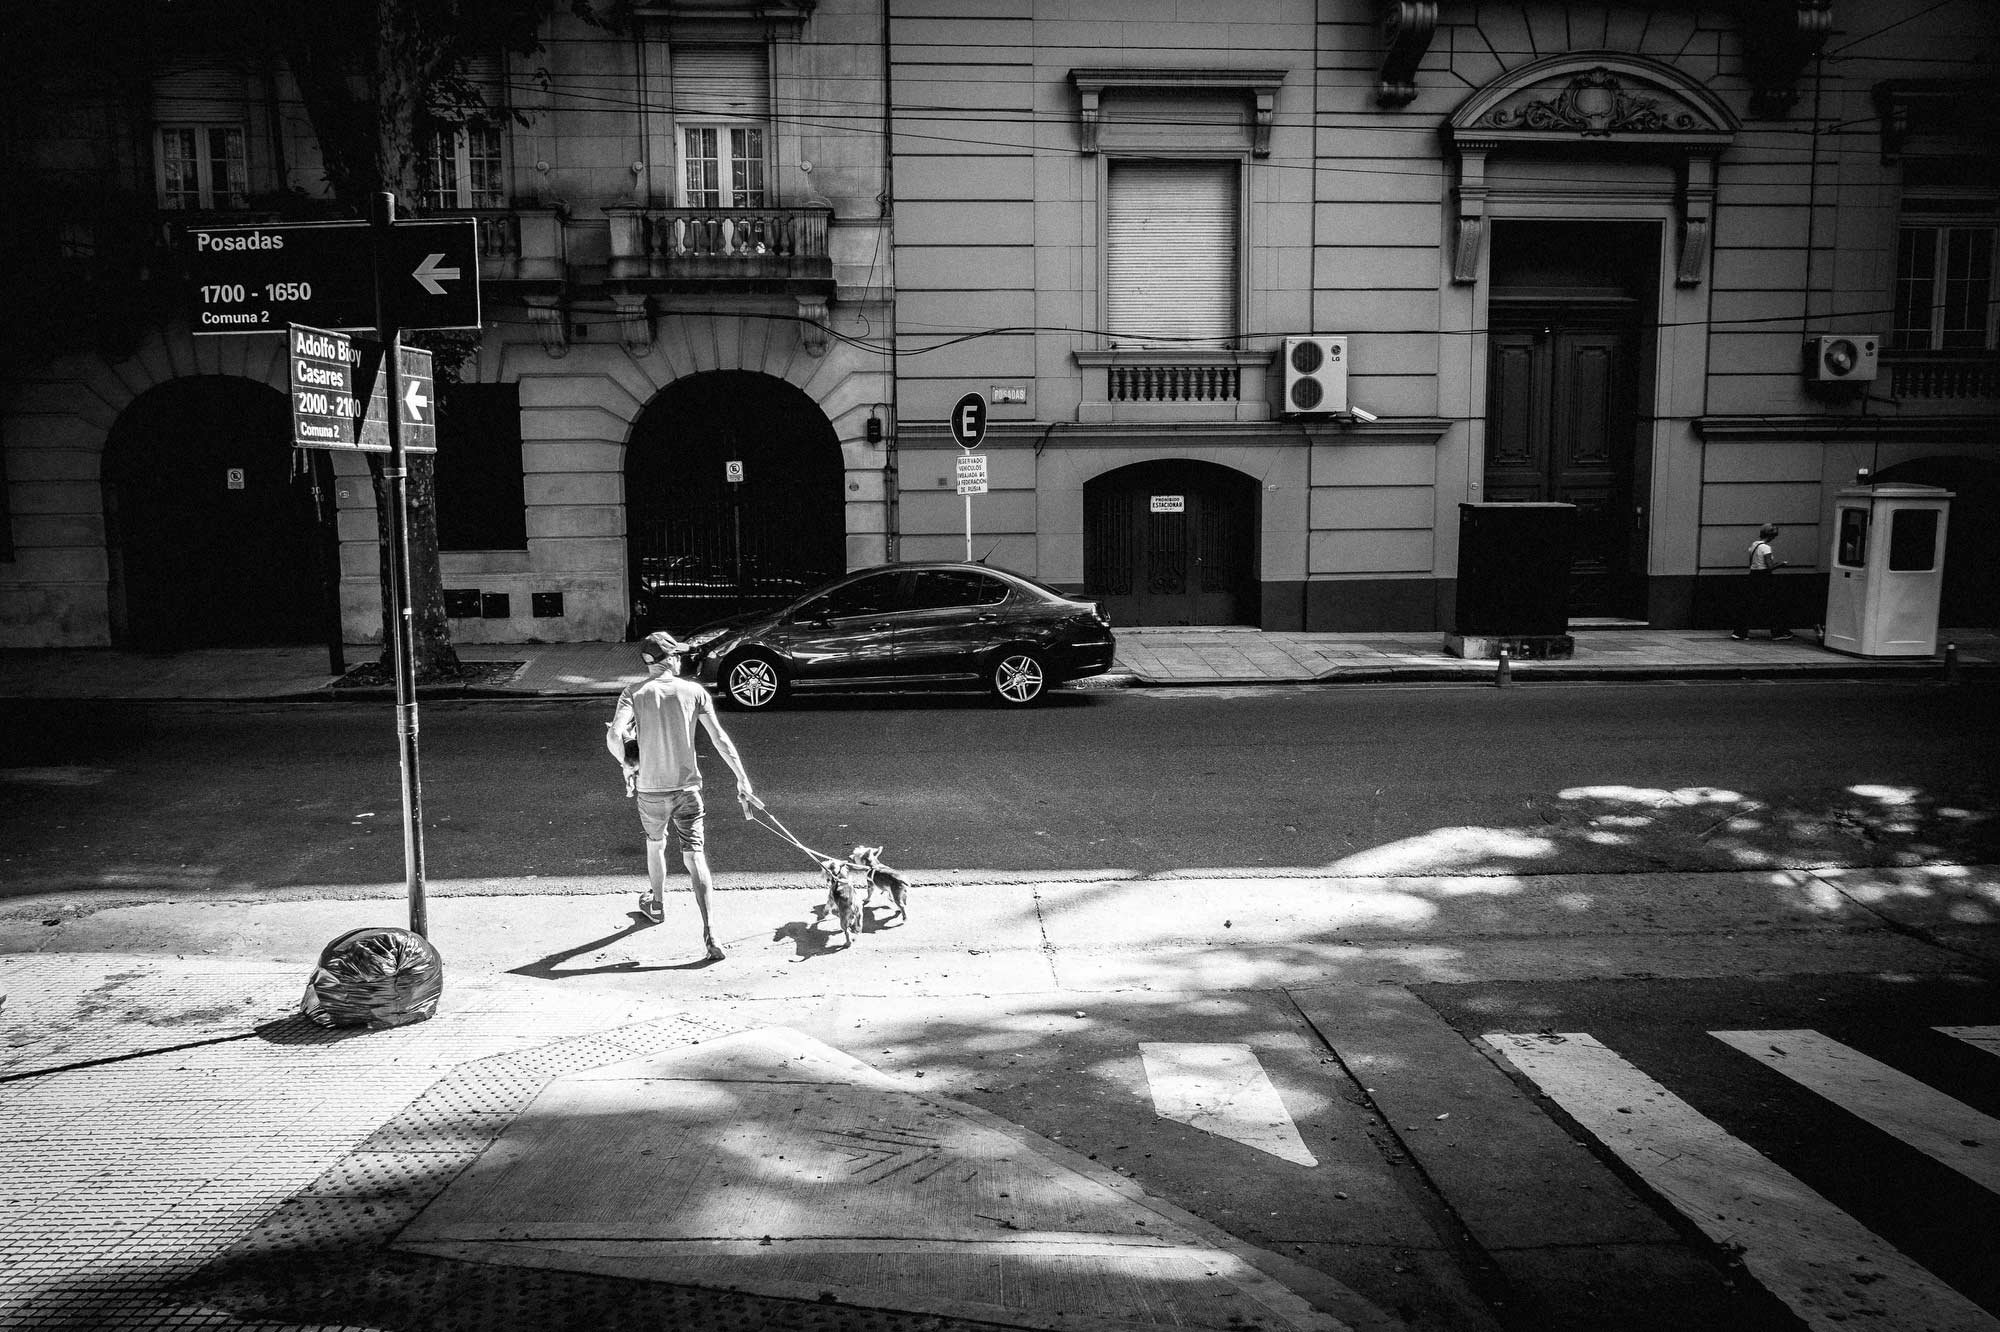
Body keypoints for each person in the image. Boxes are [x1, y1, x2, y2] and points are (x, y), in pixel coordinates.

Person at [606, 631, 757, 961]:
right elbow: (719, 739)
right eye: (678, 655)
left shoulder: (632, 693)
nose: (680, 660)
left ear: (648, 663)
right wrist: (741, 777)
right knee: (695, 857)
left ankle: (657, 906)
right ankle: (711, 933)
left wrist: (630, 763)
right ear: (671, 659)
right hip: (687, 790)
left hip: (649, 790)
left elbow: (615, 735)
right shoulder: (694, 692)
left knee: (655, 844)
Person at [1731, 523, 1794, 641]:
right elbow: (1769, 566)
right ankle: (1778, 632)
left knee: (1749, 604)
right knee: (1773, 605)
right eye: (1774, 536)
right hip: (1764, 578)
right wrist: (1782, 564)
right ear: (1771, 536)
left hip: (1753, 576)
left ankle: (1739, 632)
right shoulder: (1765, 548)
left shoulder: (1754, 545)